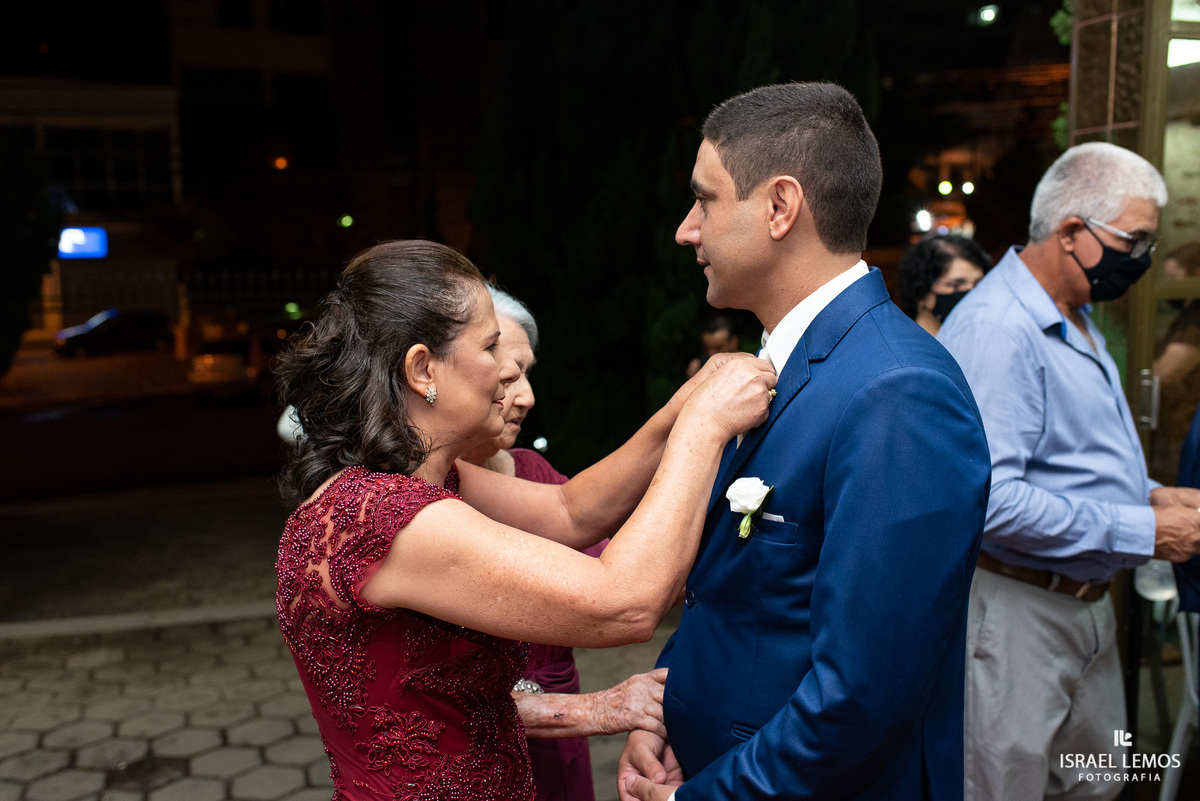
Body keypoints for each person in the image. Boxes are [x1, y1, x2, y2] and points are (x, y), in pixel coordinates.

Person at [274, 239, 775, 800]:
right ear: (422, 369)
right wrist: (704, 429)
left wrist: (682, 404)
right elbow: (625, 603)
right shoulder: (393, 521)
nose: (510, 367)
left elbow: (569, 510)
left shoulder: (405, 484)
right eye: (491, 346)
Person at [619, 82, 991, 801]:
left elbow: (863, 696)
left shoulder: (898, 392)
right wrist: (666, 710)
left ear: (780, 206)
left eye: (705, 201)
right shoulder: (780, 367)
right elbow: (736, 593)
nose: (687, 230)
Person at [937, 142, 1200, 801]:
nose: (1141, 258)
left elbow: (1070, 461)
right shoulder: (998, 329)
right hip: (1019, 612)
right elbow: (991, 501)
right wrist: (1146, 531)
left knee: (1098, 784)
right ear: (1072, 231)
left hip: (1084, 604)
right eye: (1134, 241)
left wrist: (1152, 496)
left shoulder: (1072, 315)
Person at [459, 284, 664, 801]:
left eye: (527, 374)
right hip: (469, 752)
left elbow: (599, 546)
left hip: (557, 747)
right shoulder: (410, 500)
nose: (526, 396)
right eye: (508, 375)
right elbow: (625, 604)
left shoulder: (531, 470)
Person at [1152, 242, 1200, 485]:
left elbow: (1166, 373)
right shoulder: (1186, 314)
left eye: (1174, 278)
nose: (1169, 286)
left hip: (1186, 426)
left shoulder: (1197, 318)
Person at [897, 233, 992, 335]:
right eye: (957, 284)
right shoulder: (905, 343)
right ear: (921, 291)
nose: (971, 292)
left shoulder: (977, 339)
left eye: (978, 284)